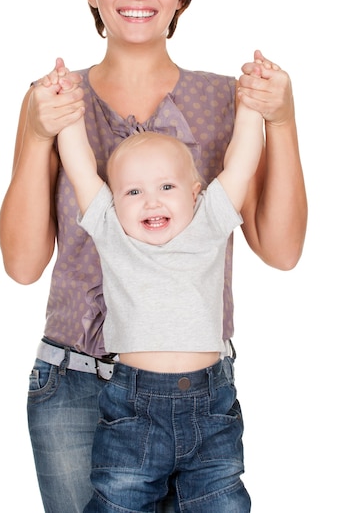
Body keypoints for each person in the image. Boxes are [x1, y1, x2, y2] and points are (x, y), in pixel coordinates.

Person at [0, 0, 307, 513]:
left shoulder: (227, 101)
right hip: (74, 384)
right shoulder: (54, 101)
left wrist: (284, 121)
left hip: (193, 389)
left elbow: (282, 250)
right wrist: (36, 135)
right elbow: (24, 265)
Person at [55, 85, 263, 509]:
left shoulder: (209, 223)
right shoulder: (113, 233)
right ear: (113, 202)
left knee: (224, 502)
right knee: (118, 500)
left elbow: (240, 166)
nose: (150, 200)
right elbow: (79, 169)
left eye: (166, 186)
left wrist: (251, 108)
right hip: (134, 407)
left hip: (212, 406)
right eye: (133, 192)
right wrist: (68, 112)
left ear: (195, 192)